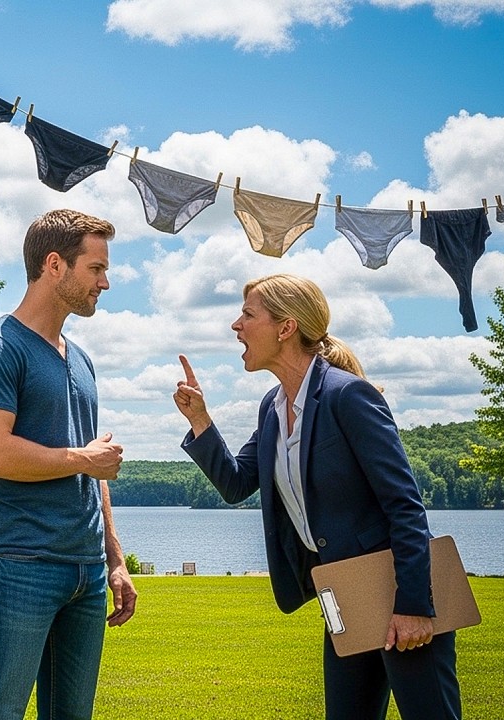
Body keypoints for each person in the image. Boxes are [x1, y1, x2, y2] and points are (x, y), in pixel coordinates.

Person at [173, 273, 461, 720]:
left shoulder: (349, 396)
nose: (236, 325)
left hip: (399, 593)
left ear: (286, 328)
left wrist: (414, 607)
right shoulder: (272, 407)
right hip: (343, 596)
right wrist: (201, 420)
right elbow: (235, 483)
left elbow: (404, 505)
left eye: (248, 314)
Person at [0, 208, 137, 720]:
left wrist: (115, 558)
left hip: (85, 569)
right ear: (54, 265)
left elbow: (93, 469)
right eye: (96, 269)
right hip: (18, 564)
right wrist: (85, 458)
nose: (106, 281)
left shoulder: (80, 358)